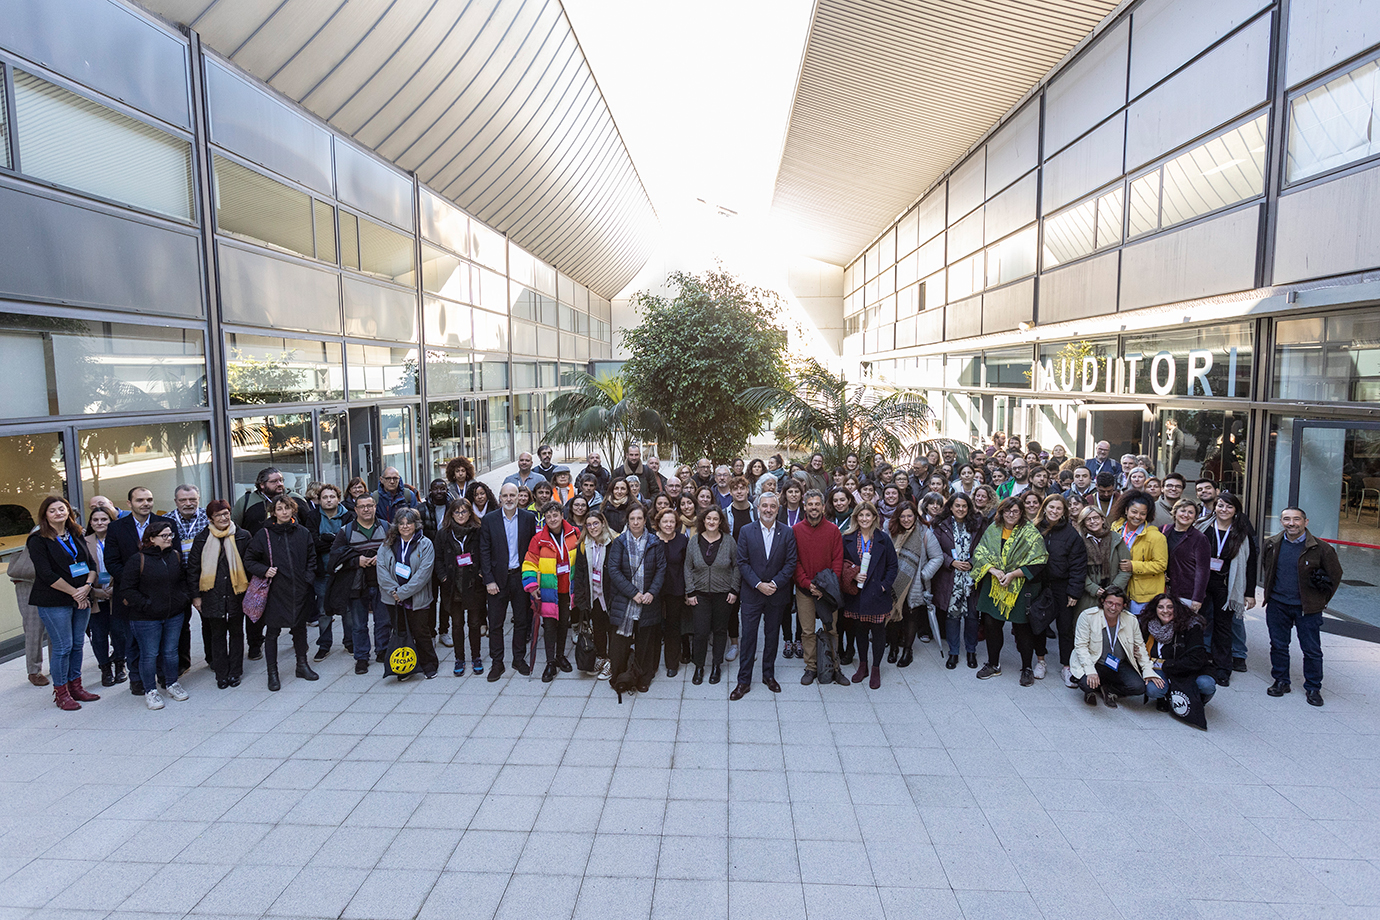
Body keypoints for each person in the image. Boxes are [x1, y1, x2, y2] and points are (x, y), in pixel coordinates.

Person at [1261, 507, 1342, 706]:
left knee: (1311, 649)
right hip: (1278, 604)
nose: (1291, 523)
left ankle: (1313, 687)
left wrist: (1320, 600)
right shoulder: (1271, 544)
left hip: (1307, 608)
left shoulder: (1321, 549)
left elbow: (1335, 576)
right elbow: (1267, 568)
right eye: (1287, 519)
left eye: (1296, 519)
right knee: (1278, 645)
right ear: (1281, 521)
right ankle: (1281, 681)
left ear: (1306, 522)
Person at [27, 496, 99, 711]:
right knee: (63, 647)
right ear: (45, 515)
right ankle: (61, 693)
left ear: (68, 511)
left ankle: (76, 686)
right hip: (54, 600)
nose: (58, 513)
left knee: (78, 644)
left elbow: (91, 563)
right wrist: (75, 593)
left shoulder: (76, 533)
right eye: (53, 510)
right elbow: (45, 573)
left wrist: (86, 587)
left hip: (82, 595)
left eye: (62, 508)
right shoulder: (38, 539)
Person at [104, 487, 175, 694]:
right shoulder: (116, 528)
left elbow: (172, 554)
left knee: (162, 641)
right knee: (132, 640)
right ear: (129, 504)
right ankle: (137, 679)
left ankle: (164, 677)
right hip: (129, 595)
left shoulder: (164, 524)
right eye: (140, 500)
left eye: (149, 499)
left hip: (160, 593)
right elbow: (111, 561)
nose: (145, 503)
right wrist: (133, 581)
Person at [244, 496, 319, 691]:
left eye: (287, 508)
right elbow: (249, 560)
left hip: (299, 589)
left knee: (300, 630)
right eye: (280, 509)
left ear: (293, 510)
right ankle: (272, 673)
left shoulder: (303, 533)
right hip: (275, 591)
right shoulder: (263, 535)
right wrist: (263, 570)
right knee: (272, 633)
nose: (284, 512)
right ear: (273, 512)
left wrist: (308, 578)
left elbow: (312, 557)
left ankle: (302, 665)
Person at [973, 496, 1048, 685]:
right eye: (1007, 511)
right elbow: (980, 552)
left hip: (1020, 585)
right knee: (991, 624)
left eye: (1015, 511)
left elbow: (1039, 560)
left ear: (1021, 513)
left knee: (1022, 627)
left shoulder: (1031, 532)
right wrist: (993, 570)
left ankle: (1026, 668)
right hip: (995, 584)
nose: (1011, 514)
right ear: (1001, 512)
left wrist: (1013, 574)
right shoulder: (993, 529)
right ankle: (993, 664)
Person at [730, 492, 798, 700]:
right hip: (752, 594)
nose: (768, 510)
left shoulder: (787, 532)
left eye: (772, 506)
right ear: (757, 508)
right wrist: (759, 584)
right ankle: (743, 681)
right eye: (764, 506)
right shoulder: (746, 531)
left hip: (777, 594)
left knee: (772, 636)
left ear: (778, 509)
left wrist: (774, 584)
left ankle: (768, 675)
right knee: (749, 637)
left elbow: (791, 563)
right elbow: (742, 562)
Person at [119, 519, 190, 709]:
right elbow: (127, 589)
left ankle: (171, 683)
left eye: (170, 535)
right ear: (151, 539)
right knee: (149, 654)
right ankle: (150, 690)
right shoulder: (138, 559)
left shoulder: (174, 556)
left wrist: (182, 599)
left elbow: (182, 581)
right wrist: (146, 604)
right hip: (146, 618)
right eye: (164, 536)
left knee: (171, 652)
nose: (169, 539)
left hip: (173, 614)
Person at [188, 500, 250, 689]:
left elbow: (251, 562)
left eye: (226, 513)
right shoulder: (201, 538)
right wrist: (196, 596)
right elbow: (193, 569)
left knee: (237, 633)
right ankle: (221, 674)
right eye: (218, 515)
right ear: (210, 519)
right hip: (212, 595)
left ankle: (235, 672)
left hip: (237, 592)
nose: (223, 518)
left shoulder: (242, 536)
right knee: (217, 635)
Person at [479, 482, 538, 681]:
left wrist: (532, 579)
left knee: (522, 621)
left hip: (520, 579)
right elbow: (484, 552)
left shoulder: (529, 518)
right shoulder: (489, 520)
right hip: (497, 580)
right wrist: (489, 580)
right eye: (506, 495)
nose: (510, 499)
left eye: (513, 495)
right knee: (495, 624)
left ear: (519, 496)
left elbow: (533, 550)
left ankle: (518, 659)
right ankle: (497, 663)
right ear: (500, 497)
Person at [1196, 494, 1256, 686]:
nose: (1224, 510)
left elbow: (1251, 564)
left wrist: (1249, 592)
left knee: (1223, 627)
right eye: (1220, 505)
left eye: (1229, 507)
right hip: (1202, 583)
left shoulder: (1242, 532)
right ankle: (1200, 661)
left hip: (1226, 585)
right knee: (1199, 622)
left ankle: (1223, 668)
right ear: (1214, 507)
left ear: (1236, 510)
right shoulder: (1202, 527)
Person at [605, 504, 665, 693]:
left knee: (645, 642)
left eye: (639, 518)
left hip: (648, 601)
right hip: (625, 601)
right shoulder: (619, 542)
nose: (636, 522)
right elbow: (613, 570)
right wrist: (634, 593)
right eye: (632, 519)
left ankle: (643, 678)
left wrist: (650, 593)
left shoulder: (655, 542)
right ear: (627, 521)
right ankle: (620, 676)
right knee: (619, 643)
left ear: (644, 520)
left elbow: (661, 570)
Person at [328, 494, 389, 674]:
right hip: (356, 586)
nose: (366, 509)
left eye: (369, 505)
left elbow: (397, 552)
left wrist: (383, 557)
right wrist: (356, 561)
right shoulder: (345, 531)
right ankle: (361, 657)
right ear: (355, 510)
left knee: (384, 621)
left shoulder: (387, 527)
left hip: (381, 583)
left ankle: (382, 650)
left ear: (375, 507)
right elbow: (334, 559)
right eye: (361, 506)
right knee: (358, 624)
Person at [841, 501, 899, 690]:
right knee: (860, 629)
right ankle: (863, 665)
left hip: (877, 593)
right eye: (861, 515)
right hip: (857, 593)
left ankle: (875, 668)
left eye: (868, 515)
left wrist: (883, 587)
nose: (864, 519)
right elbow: (841, 563)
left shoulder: (883, 539)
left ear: (874, 517)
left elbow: (892, 566)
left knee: (878, 630)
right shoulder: (847, 538)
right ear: (856, 518)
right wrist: (853, 574)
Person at [1070, 586, 1160, 707]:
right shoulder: (1088, 616)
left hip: (1118, 664)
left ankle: (1109, 689)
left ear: (1124, 606)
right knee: (1087, 683)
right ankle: (1093, 687)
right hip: (1094, 661)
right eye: (1110, 603)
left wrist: (1148, 670)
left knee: (1139, 687)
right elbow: (1081, 646)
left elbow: (1140, 647)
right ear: (1103, 601)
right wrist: (1090, 671)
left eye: (1118, 604)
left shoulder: (1131, 620)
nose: (1113, 608)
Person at [1031, 494, 1087, 685]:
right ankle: (1040, 661)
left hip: (1062, 587)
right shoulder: (1034, 529)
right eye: (1051, 507)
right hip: (1039, 585)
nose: (1054, 511)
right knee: (1038, 624)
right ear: (1044, 508)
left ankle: (1066, 666)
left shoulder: (1071, 535)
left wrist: (1074, 591)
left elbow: (1078, 566)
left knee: (1065, 627)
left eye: (1059, 508)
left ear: (1064, 512)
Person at [791, 489, 845, 686]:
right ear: (804, 506)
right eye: (810, 504)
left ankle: (835, 667)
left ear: (823, 507)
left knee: (831, 630)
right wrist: (807, 584)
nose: (814, 508)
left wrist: (828, 586)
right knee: (807, 631)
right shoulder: (796, 530)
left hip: (828, 592)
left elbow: (838, 560)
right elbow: (794, 561)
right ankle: (811, 666)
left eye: (817, 504)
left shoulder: (833, 530)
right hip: (805, 590)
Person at [377, 507, 438, 680]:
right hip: (393, 598)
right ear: (396, 525)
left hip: (417, 597)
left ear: (416, 525)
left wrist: (403, 592)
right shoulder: (387, 544)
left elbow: (424, 573)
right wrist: (394, 591)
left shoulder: (425, 544)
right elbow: (381, 569)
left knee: (421, 632)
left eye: (409, 523)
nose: (405, 527)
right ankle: (405, 668)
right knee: (401, 632)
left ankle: (429, 665)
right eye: (401, 523)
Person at [522, 501, 580, 682]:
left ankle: (561, 655)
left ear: (562, 515)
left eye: (555, 515)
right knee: (549, 625)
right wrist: (532, 586)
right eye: (549, 517)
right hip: (548, 590)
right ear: (545, 519)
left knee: (564, 623)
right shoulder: (538, 539)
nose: (553, 519)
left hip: (567, 589)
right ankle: (550, 661)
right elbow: (529, 563)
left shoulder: (574, 533)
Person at [684, 506, 740, 686]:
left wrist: (733, 589)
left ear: (721, 522)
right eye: (708, 518)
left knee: (720, 630)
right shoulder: (694, 541)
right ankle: (699, 666)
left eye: (715, 519)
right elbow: (687, 567)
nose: (711, 522)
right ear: (703, 521)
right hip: (699, 595)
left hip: (723, 595)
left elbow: (737, 567)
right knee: (700, 632)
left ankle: (717, 665)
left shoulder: (729, 541)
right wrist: (690, 591)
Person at [1074, 507, 1130, 685]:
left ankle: (1107, 672)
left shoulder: (1116, 538)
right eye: (1088, 520)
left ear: (1102, 518)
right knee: (1087, 634)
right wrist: (1092, 587)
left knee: (1109, 634)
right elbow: (1076, 568)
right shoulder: (1078, 540)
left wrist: (1113, 590)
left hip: (1113, 594)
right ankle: (1084, 671)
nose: (1092, 522)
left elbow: (1125, 568)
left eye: (1095, 518)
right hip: (1089, 594)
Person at [1137, 594, 1216, 709]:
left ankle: (1197, 700)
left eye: (1170, 607)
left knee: (1206, 685)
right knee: (1153, 690)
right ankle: (1165, 696)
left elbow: (1196, 658)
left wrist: (1169, 665)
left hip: (1188, 668)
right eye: (1160, 607)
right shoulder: (1147, 624)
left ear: (1176, 608)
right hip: (1159, 668)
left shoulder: (1191, 626)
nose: (1165, 611)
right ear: (1155, 609)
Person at [435, 498, 486, 676]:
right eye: (457, 512)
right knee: (457, 624)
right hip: (453, 586)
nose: (460, 515)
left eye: (464, 511)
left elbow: (484, 553)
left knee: (474, 623)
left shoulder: (478, 531)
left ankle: (476, 657)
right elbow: (438, 558)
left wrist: (481, 573)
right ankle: (459, 658)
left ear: (470, 513)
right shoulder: (443, 534)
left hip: (473, 585)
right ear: (451, 514)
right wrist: (442, 577)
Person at [889, 501, 941, 667]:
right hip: (893, 582)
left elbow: (938, 557)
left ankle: (907, 650)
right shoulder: (891, 531)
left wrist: (924, 574)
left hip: (914, 582)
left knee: (911, 616)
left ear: (915, 516)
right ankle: (893, 647)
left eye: (909, 516)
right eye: (902, 516)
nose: (906, 519)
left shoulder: (924, 533)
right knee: (893, 616)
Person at [934, 493, 982, 670]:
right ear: (951, 507)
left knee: (972, 617)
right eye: (957, 506)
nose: (961, 509)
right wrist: (951, 562)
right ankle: (953, 652)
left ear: (968, 508)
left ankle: (971, 650)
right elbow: (936, 550)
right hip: (951, 577)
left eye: (964, 506)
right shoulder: (941, 525)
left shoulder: (978, 524)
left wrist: (971, 563)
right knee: (952, 616)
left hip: (971, 578)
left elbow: (983, 548)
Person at [83, 506, 126, 687]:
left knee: (119, 633)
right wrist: (93, 591)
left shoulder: (119, 539)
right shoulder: (83, 542)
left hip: (117, 594)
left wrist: (116, 589)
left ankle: (119, 666)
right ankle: (105, 668)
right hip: (94, 596)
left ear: (111, 521)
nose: (100, 523)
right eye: (96, 520)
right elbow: (80, 570)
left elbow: (126, 565)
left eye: (104, 519)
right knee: (98, 636)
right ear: (91, 523)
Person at [310, 484, 352, 660]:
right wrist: (335, 541)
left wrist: (327, 541)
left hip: (344, 571)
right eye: (325, 497)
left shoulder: (348, 515)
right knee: (323, 610)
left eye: (332, 497)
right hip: (322, 572)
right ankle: (324, 644)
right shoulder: (313, 517)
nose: (328, 500)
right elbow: (312, 542)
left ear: (338, 498)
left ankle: (350, 642)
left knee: (347, 610)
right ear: (319, 500)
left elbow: (349, 543)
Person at [170, 484, 208, 674]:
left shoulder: (207, 518)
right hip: (176, 580)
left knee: (209, 619)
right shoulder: (166, 520)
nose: (188, 503)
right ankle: (182, 662)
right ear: (176, 501)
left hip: (203, 577)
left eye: (192, 499)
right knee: (180, 623)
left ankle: (213, 658)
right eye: (183, 500)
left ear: (198, 499)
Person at [572, 511, 615, 678]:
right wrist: (581, 600)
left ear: (603, 523)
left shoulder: (613, 542)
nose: (592, 528)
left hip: (609, 594)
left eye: (595, 523)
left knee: (612, 629)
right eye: (588, 525)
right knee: (598, 628)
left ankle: (612, 661)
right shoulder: (583, 545)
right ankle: (602, 657)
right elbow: (580, 574)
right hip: (594, 594)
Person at [1112, 491, 1168, 616]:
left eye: (1143, 514)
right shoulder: (1115, 528)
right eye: (1134, 512)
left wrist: (1134, 566)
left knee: (1140, 629)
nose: (1137, 516)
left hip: (1143, 594)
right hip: (1118, 587)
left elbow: (1161, 564)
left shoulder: (1156, 537)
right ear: (1126, 510)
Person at [1162, 499, 1210, 620]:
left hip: (1187, 592)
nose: (1186, 515)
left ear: (1195, 517)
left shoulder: (1200, 538)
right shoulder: (1162, 531)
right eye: (1183, 511)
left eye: (1190, 512)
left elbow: (1203, 571)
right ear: (1175, 512)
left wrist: (1197, 598)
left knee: (1184, 629)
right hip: (1164, 590)